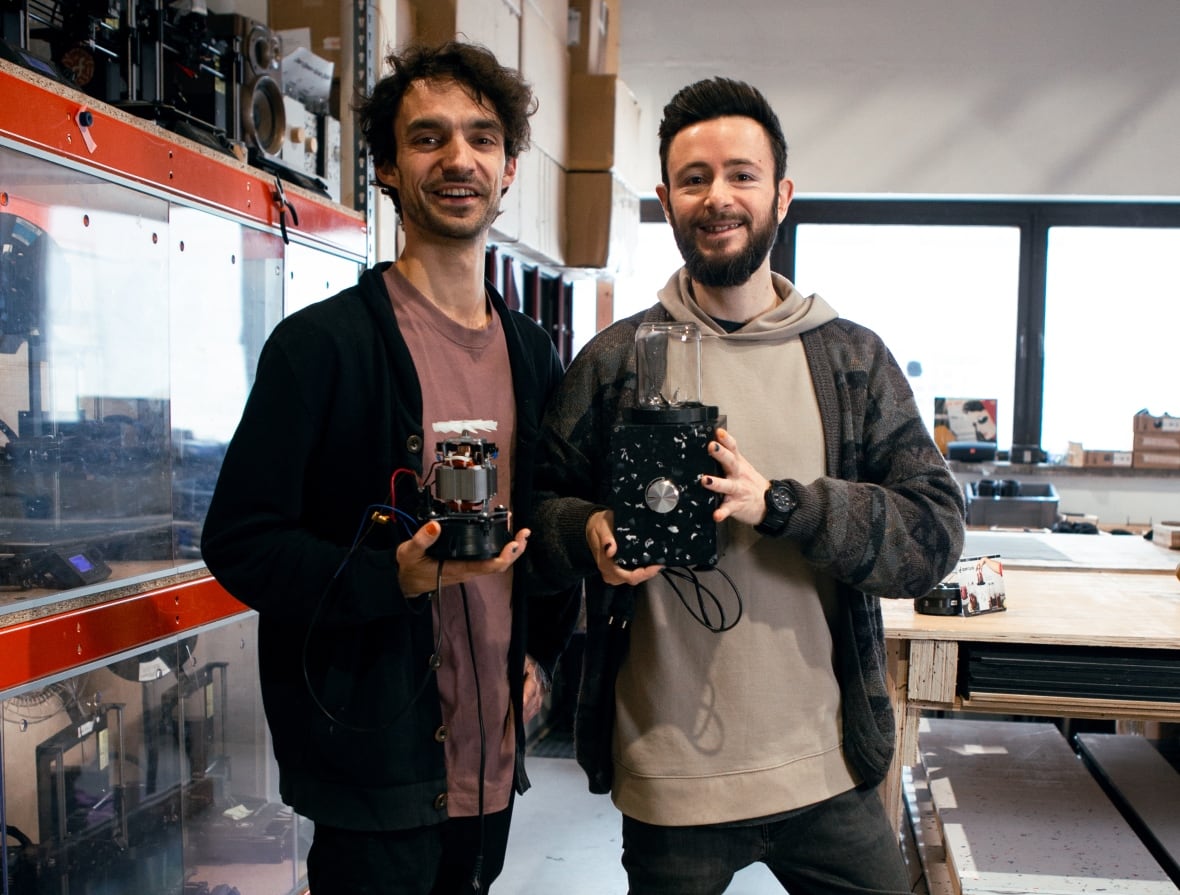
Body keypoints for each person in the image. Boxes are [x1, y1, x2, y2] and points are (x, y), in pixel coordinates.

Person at [529, 77, 966, 895]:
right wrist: (587, 534)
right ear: (665, 198)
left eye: (741, 174)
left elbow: (934, 533)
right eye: (694, 179)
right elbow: (539, 514)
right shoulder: (618, 361)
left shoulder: (851, 361)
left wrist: (785, 506)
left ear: (782, 195)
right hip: (669, 772)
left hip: (827, 768)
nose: (717, 197)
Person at [201, 40, 575, 895]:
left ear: (509, 169)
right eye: (428, 137)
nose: (458, 159)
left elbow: (548, 520)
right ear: (385, 169)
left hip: (494, 762)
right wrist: (391, 577)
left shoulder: (531, 350)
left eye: (482, 138)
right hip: (375, 768)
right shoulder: (322, 348)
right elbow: (241, 542)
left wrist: (542, 661)